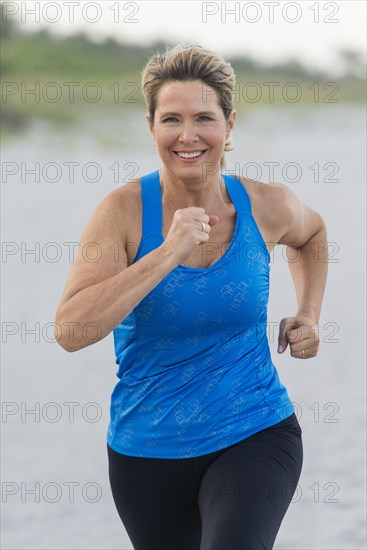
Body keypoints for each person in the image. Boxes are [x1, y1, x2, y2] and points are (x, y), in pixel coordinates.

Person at [55, 44, 328, 550]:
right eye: (171, 119)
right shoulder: (122, 212)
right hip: (146, 451)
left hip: (256, 429)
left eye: (204, 118)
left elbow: (312, 237)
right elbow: (71, 331)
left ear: (229, 124)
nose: (188, 135)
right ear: (151, 126)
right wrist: (165, 254)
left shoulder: (265, 204)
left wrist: (308, 312)